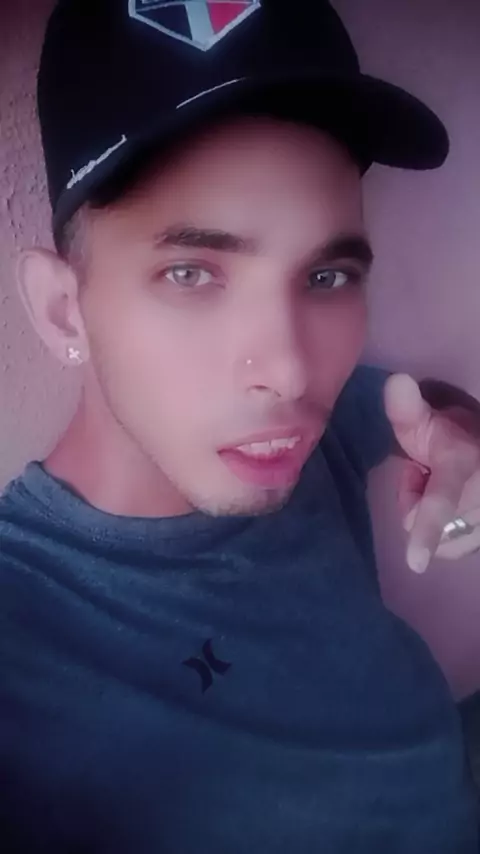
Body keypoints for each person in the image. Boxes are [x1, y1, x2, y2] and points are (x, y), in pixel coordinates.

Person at [0, 0, 479, 851]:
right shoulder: (23, 638)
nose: (292, 374)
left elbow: (421, 406)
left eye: (327, 277)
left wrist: (462, 435)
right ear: (63, 310)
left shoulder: (292, 434)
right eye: (191, 273)